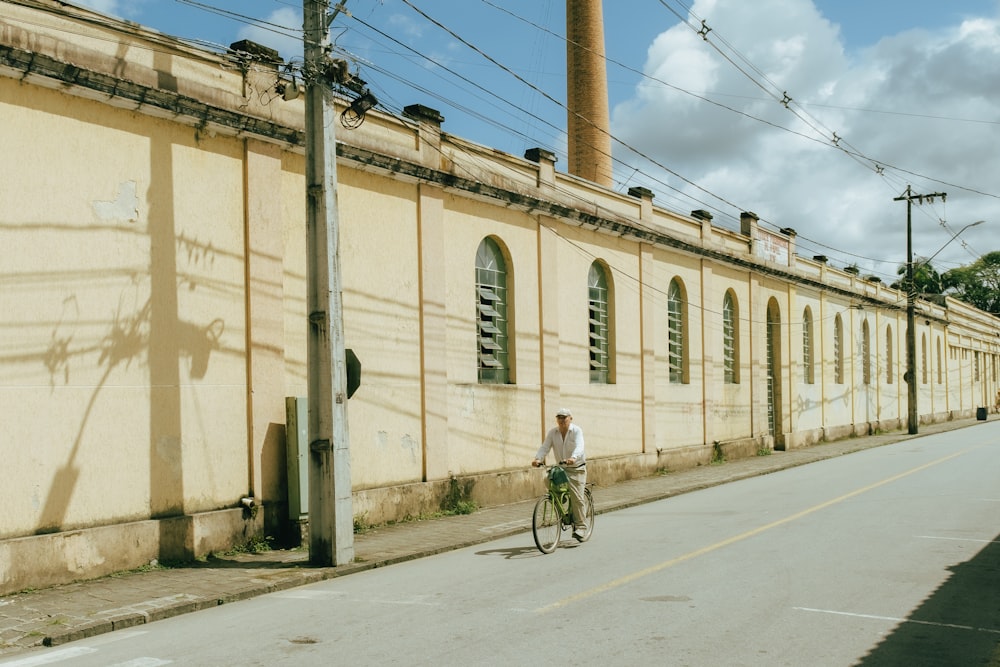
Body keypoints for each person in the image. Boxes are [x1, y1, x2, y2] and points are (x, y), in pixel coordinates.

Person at [532, 407, 588, 540]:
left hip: (576, 468)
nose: (562, 420)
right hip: (561, 468)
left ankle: (581, 527)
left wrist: (573, 458)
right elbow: (545, 447)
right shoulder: (553, 432)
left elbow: (580, 446)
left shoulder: (576, 431)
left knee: (576, 497)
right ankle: (559, 498)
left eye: (564, 417)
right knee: (547, 478)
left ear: (570, 418)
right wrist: (538, 458)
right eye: (559, 417)